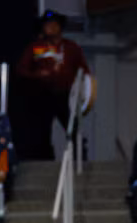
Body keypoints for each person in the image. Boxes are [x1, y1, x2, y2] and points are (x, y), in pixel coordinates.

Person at [14, 10, 90, 160]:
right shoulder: (35, 47)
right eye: (47, 25)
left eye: (54, 25)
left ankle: (80, 158)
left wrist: (84, 89)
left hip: (66, 94)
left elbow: (83, 70)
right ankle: (45, 161)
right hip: (41, 95)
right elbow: (21, 70)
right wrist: (37, 75)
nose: (50, 28)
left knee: (72, 127)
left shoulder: (71, 47)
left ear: (60, 27)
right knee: (41, 131)